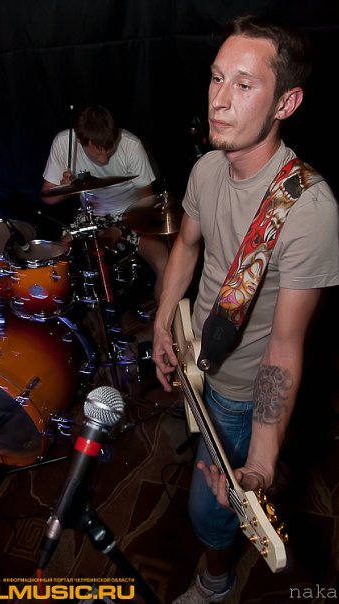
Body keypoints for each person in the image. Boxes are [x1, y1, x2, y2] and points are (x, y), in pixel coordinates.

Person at [152, 15, 339, 604]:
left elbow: (285, 346)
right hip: (200, 352)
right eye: (216, 79)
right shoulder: (208, 168)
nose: (219, 100)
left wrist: (259, 461)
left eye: (244, 84)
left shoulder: (307, 209)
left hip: (240, 392)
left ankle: (215, 581)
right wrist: (163, 322)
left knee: (208, 510)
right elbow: (186, 247)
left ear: (287, 102)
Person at [41, 105, 169, 304]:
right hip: (91, 215)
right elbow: (48, 198)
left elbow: (147, 201)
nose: (104, 159)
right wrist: (66, 187)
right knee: (58, 263)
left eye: (109, 152)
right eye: (96, 155)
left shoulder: (131, 145)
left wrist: (122, 228)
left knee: (166, 266)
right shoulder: (64, 143)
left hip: (132, 214)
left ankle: (164, 321)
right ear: (81, 140)